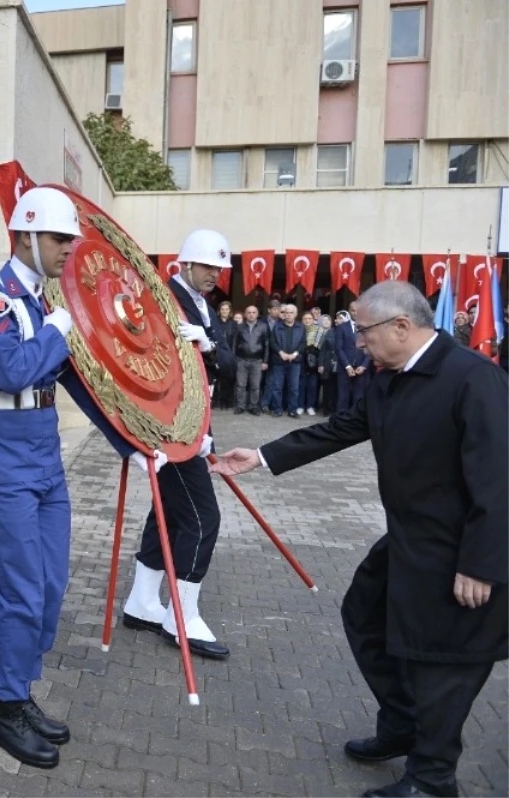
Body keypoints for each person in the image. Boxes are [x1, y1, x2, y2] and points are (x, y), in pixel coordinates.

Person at [210, 281, 509, 798]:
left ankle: (432, 778)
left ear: (401, 326)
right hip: (409, 542)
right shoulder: (391, 377)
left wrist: (481, 563)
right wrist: (260, 456)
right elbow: (342, 427)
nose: (358, 341)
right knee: (365, 614)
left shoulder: (473, 379)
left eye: (364, 331)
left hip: (462, 552)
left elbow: (499, 476)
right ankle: (401, 726)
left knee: (444, 665)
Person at [0, 186, 154, 769]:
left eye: (70, 239)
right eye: (62, 238)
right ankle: (3, 706)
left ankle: (19, 688)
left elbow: (73, 383)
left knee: (53, 586)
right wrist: (60, 326)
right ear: (28, 235)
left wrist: (129, 445)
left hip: (40, 456)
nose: (70, 250)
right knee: (23, 589)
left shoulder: (41, 307)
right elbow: (11, 371)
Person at [119, 228, 236, 660]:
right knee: (203, 519)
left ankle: (143, 602)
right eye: (207, 266)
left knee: (167, 515)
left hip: (195, 426)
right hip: (170, 431)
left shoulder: (205, 307)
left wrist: (206, 343)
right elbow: (148, 367)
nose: (213, 275)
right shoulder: (160, 299)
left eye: (218, 269)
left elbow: (228, 359)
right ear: (184, 263)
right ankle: (181, 617)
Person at [229, 304, 269, 415]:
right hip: (242, 360)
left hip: (257, 361)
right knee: (241, 385)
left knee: (255, 385)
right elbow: (234, 343)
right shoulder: (239, 327)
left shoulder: (263, 326)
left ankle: (253, 406)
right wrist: (234, 358)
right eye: (249, 312)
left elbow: (266, 344)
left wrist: (265, 361)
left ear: (257, 314)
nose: (251, 314)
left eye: (254, 312)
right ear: (245, 314)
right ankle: (240, 406)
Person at [269, 303, 306, 418]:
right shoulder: (277, 326)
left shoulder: (301, 327)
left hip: (295, 362)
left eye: (291, 313)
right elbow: (272, 342)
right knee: (277, 387)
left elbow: (303, 344)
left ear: (295, 314)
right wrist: (281, 353)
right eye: (286, 313)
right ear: (283, 314)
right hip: (279, 361)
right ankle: (277, 410)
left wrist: (294, 354)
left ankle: (292, 410)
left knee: (294, 388)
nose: (288, 315)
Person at [334, 308, 370, 413]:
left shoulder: (368, 327)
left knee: (359, 398)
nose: (356, 312)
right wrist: (347, 366)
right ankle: (340, 423)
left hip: (361, 368)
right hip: (344, 367)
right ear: (350, 312)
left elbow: (371, 348)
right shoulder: (341, 327)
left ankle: (355, 424)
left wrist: (364, 366)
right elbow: (338, 348)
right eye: (353, 310)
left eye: (358, 310)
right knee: (342, 397)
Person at [301, 311, 327, 415]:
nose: (307, 321)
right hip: (301, 360)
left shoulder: (320, 330)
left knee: (312, 385)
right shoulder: (300, 330)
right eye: (305, 319)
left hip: (314, 361)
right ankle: (300, 406)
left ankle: (310, 406)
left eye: (309, 319)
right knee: (301, 385)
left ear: (313, 320)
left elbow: (323, 348)